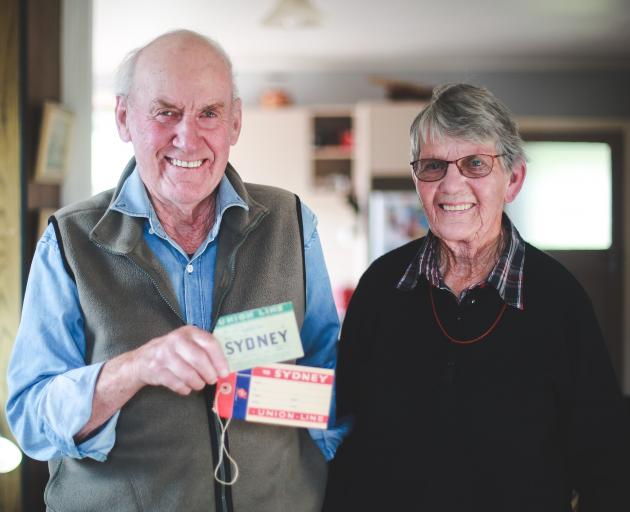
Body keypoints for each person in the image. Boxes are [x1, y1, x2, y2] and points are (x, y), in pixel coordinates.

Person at [6, 30, 346, 512]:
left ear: (234, 122)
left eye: (209, 113)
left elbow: (328, 378)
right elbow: (32, 418)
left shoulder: (290, 221)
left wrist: (268, 392)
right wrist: (135, 368)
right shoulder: (69, 240)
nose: (188, 137)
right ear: (125, 118)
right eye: (165, 112)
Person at [324, 83, 630, 511]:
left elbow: (606, 466)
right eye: (433, 165)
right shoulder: (381, 285)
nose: (452, 184)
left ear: (514, 179)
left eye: (474, 164)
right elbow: (342, 430)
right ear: (417, 180)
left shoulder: (560, 300)